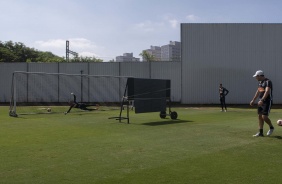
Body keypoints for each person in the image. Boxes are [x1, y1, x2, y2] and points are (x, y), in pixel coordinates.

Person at [250, 70, 274, 137]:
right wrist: (253, 100)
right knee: (260, 116)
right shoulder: (260, 82)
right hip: (260, 102)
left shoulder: (268, 82)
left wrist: (262, 100)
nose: (256, 78)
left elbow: (267, 91)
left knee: (264, 117)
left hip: (267, 101)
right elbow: (258, 92)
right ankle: (260, 132)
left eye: (256, 76)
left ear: (260, 76)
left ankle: (271, 127)